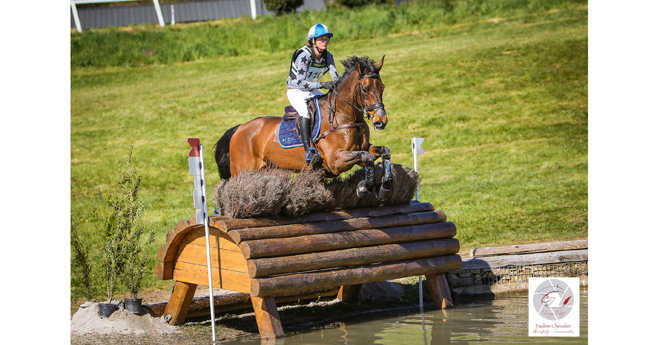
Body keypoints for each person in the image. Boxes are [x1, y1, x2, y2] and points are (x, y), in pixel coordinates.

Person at [287, 23, 340, 165]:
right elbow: (300, 83)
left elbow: (336, 77)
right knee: (304, 113)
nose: (325, 41)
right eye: (321, 39)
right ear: (313, 41)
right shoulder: (304, 55)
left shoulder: (327, 56)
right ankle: (308, 149)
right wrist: (321, 84)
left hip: (310, 90)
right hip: (296, 91)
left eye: (326, 39)